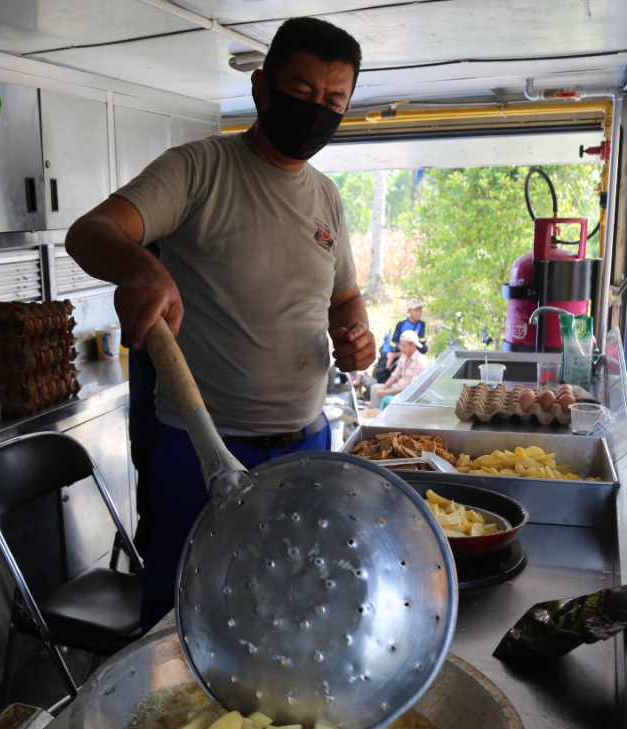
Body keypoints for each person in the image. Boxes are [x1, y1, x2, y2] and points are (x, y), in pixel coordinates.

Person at [64, 17, 374, 629]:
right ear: (261, 88)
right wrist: (140, 268)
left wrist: (358, 336)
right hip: (200, 448)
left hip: (306, 448)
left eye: (334, 100)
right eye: (303, 92)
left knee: (290, 614)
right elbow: (90, 232)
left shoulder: (327, 197)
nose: (318, 110)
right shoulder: (199, 169)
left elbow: (344, 297)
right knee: (184, 623)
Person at [370, 329, 428, 407]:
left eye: (404, 346)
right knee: (375, 388)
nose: (401, 348)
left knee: (393, 399)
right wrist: (384, 387)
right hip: (398, 386)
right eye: (400, 345)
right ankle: (375, 413)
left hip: (407, 393)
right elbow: (395, 375)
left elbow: (412, 388)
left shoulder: (421, 362)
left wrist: (389, 391)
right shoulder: (404, 356)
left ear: (413, 346)